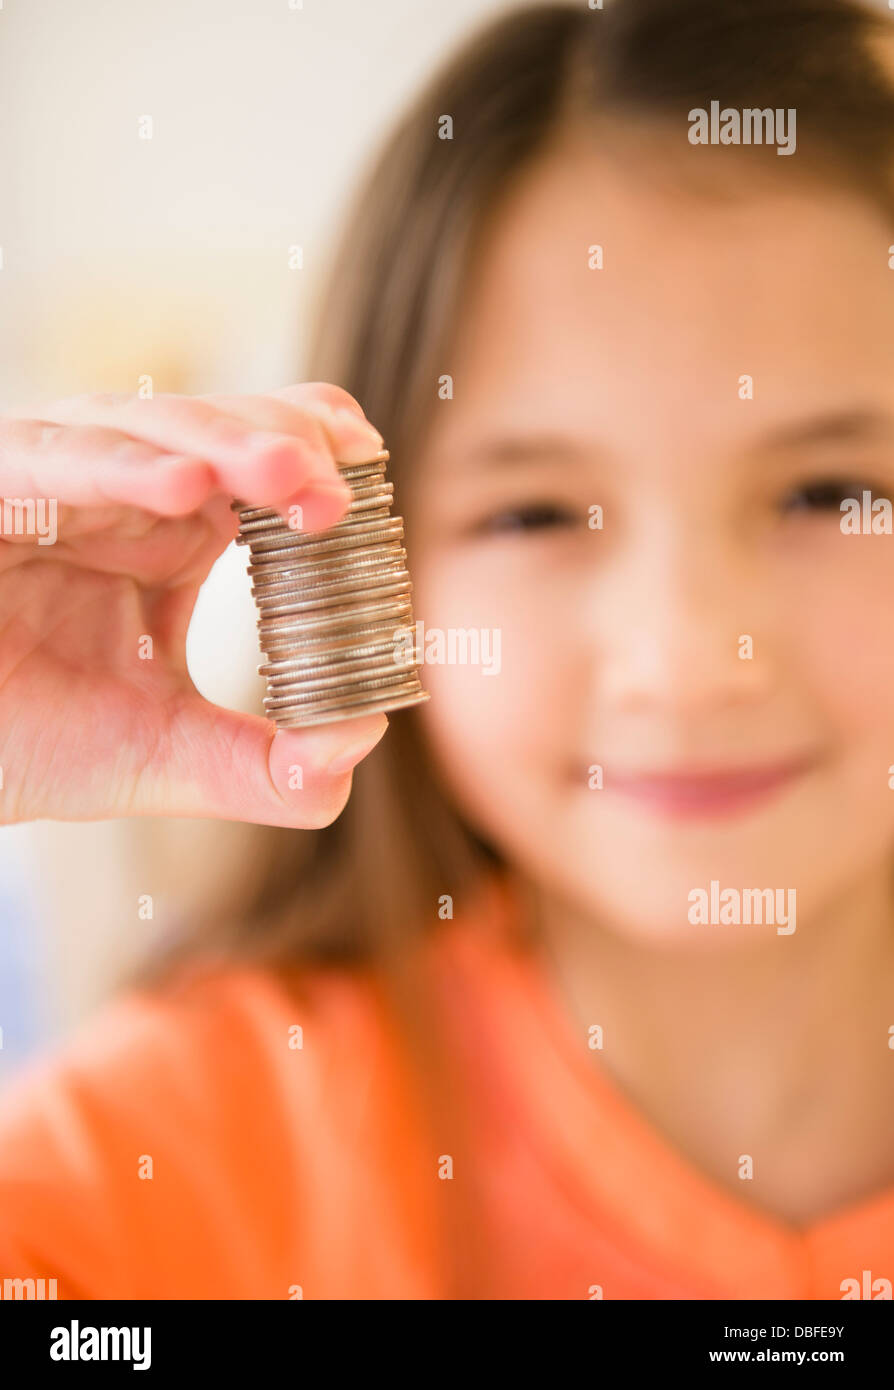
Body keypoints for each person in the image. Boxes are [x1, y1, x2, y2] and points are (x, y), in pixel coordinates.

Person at [1, 0, 894, 1300]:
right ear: (373, 561)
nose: (689, 659)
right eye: (533, 511)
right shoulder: (142, 1172)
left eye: (829, 491)